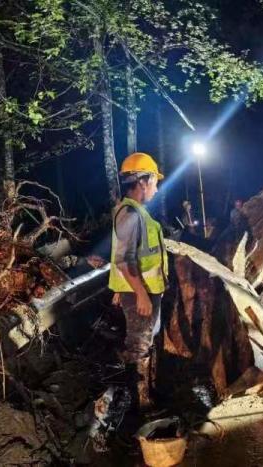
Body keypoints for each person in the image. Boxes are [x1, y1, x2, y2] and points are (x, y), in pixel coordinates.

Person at [108, 152, 168, 411]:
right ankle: (141, 404)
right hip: (141, 292)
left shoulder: (136, 212)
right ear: (143, 182)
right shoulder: (131, 214)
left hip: (141, 289)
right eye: (154, 182)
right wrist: (140, 294)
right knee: (140, 345)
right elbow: (123, 259)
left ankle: (146, 393)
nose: (156, 188)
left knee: (145, 339)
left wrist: (123, 289)